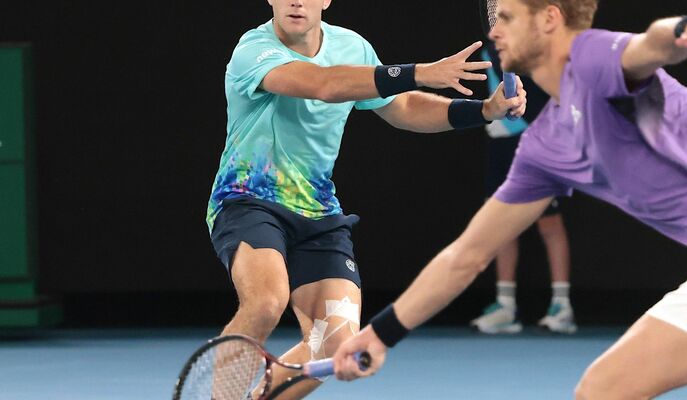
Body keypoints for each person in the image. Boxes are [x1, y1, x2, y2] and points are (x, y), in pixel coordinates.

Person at [334, 1, 687, 398]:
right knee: (603, 389)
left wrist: (680, 32)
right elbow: (467, 255)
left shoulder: (591, 59)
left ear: (550, 19)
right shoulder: (547, 145)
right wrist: (381, 333)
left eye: (509, 18)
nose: (493, 30)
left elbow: (648, 46)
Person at [205, 0, 526, 398]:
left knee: (337, 346)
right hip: (249, 200)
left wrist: (483, 110)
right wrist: (420, 73)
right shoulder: (254, 49)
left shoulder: (352, 48)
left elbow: (402, 106)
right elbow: (324, 85)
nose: (296, 1)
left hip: (319, 213)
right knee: (268, 301)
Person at [470, 42, 576, 335]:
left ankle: (562, 305)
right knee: (500, 224)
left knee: (549, 223)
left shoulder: (531, 40)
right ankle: (505, 307)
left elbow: (549, 91)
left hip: (535, 140)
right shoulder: (494, 42)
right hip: (499, 142)